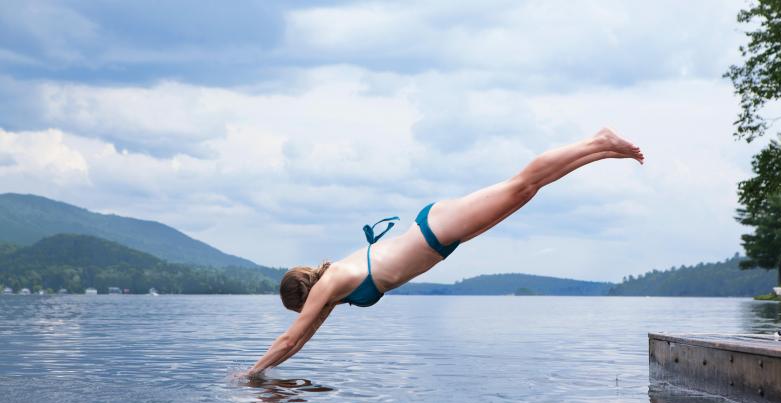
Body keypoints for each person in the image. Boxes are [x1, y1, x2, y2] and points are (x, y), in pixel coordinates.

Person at [245, 128, 643, 377]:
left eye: (299, 310)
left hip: (436, 230)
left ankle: (599, 142)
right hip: (441, 238)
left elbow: (288, 340)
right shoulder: (332, 290)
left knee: (521, 184)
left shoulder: (329, 284)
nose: (305, 316)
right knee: (526, 191)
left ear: (301, 297)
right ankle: (602, 150)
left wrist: (248, 375)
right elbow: (302, 338)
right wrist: (264, 373)